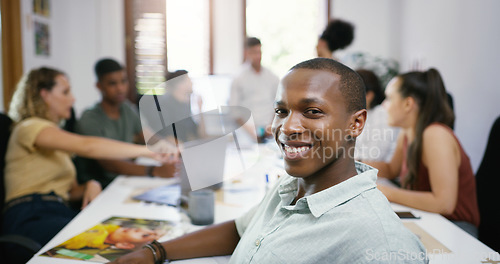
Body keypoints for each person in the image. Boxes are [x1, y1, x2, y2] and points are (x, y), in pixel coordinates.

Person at [110, 58, 427, 264]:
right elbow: (241, 230)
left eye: (312, 112)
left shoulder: (381, 244)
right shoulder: (292, 187)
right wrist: (156, 251)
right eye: (281, 111)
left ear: (355, 124)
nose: (287, 127)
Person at [2, 67, 172, 264]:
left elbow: (70, 191)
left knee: (136, 238)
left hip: (55, 209)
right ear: (45, 95)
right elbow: (88, 146)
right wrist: (149, 150)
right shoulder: (29, 127)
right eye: (65, 92)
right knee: (114, 247)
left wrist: (88, 185)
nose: (73, 99)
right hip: (29, 214)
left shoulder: (56, 141)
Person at [368, 68, 480, 237]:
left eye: (389, 98)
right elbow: (392, 169)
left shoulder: (435, 135)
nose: (384, 105)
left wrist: (387, 192)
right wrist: (350, 164)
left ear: (408, 104)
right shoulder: (407, 132)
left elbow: (444, 203)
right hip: (430, 220)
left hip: (456, 228)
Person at [75, 58, 176, 188]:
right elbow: (109, 164)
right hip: (101, 187)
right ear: (99, 86)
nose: (120, 88)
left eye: (123, 81)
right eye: (112, 84)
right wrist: (154, 171)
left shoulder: (127, 108)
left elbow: (148, 136)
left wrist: (170, 149)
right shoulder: (89, 119)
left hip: (124, 180)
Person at [229, 37, 279, 141]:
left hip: (269, 130)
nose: (257, 56)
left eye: (259, 52)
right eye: (253, 52)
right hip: (246, 133)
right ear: (246, 53)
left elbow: (278, 103)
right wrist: (251, 132)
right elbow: (234, 111)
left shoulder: (272, 77)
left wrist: (270, 127)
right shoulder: (238, 78)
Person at [354, 69, 399, 162]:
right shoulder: (358, 114)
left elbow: (375, 156)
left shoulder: (381, 115)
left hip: (377, 173)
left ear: (369, 95)